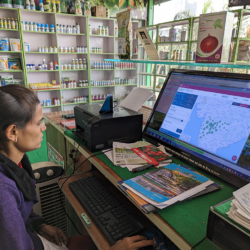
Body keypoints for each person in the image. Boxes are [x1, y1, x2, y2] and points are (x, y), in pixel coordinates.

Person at [0, 85, 156, 250]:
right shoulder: (4, 192)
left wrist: (39, 225)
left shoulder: (14, 159)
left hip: (31, 237)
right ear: (12, 132)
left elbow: (17, 211)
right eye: (38, 122)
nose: (44, 128)